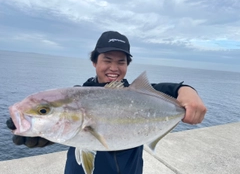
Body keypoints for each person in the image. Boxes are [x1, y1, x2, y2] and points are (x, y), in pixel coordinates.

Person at [6, 31, 207, 174]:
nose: (114, 67)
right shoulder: (79, 94)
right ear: (95, 62)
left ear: (128, 65)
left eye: (121, 62)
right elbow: (68, 124)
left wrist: (188, 91)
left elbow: (174, 89)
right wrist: (48, 133)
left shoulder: (138, 94)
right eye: (107, 60)